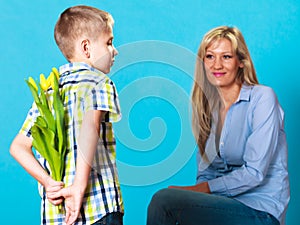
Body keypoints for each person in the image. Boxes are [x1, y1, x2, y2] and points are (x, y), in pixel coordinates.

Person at [147, 26, 290, 225]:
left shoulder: (262, 98)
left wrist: (197, 191)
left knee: (164, 200)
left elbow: (254, 173)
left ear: (241, 62)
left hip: (260, 211)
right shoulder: (208, 109)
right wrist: (194, 199)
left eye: (226, 57)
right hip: (221, 206)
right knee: (174, 206)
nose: (217, 65)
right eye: (210, 57)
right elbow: (206, 173)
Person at [10, 5, 124, 225]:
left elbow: (18, 147)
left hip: (58, 214)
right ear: (86, 48)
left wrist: (47, 182)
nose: (115, 50)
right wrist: (78, 188)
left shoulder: (49, 91)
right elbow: (89, 129)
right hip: (98, 207)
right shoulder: (99, 82)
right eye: (109, 42)